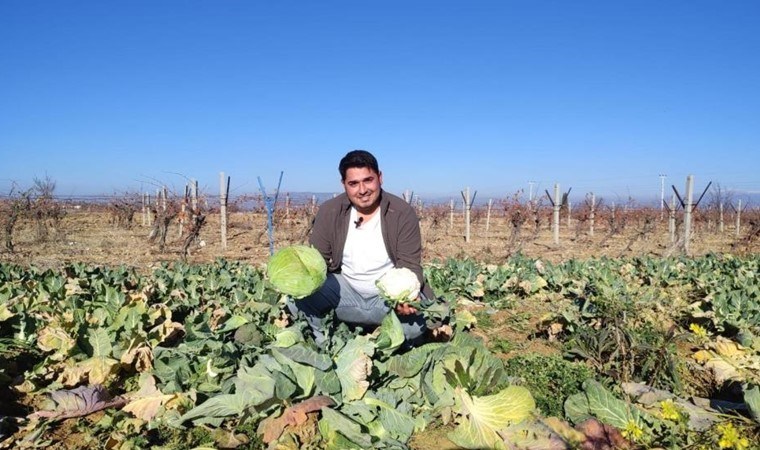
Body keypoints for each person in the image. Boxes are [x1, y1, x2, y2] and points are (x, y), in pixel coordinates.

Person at [288, 149, 438, 348]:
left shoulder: (401, 212)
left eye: (368, 180)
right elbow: (318, 262)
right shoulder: (330, 211)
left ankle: (380, 340)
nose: (362, 190)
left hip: (385, 299)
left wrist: (406, 297)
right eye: (353, 183)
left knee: (415, 329)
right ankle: (326, 344)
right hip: (345, 292)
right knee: (298, 300)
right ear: (344, 185)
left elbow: (410, 264)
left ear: (380, 177)